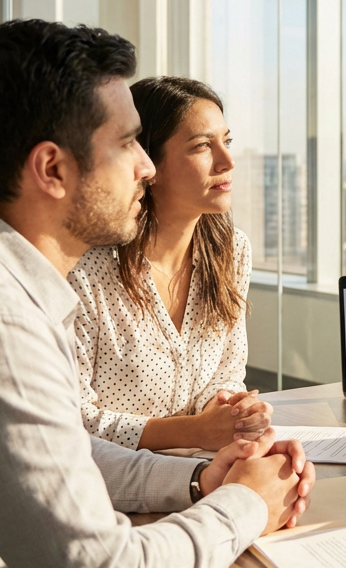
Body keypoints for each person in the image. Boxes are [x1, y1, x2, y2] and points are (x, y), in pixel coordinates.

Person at [0, 20, 315, 568]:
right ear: (52, 169)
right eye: (128, 142)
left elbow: (59, 450)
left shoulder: (8, 291)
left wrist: (200, 482)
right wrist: (247, 503)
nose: (147, 167)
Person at [69, 76, 268, 452]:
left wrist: (233, 411)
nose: (227, 161)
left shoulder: (231, 251)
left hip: (206, 464)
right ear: (148, 163)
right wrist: (194, 432)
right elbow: (75, 419)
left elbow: (226, 374)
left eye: (226, 141)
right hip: (115, 478)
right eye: (202, 146)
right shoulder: (87, 271)